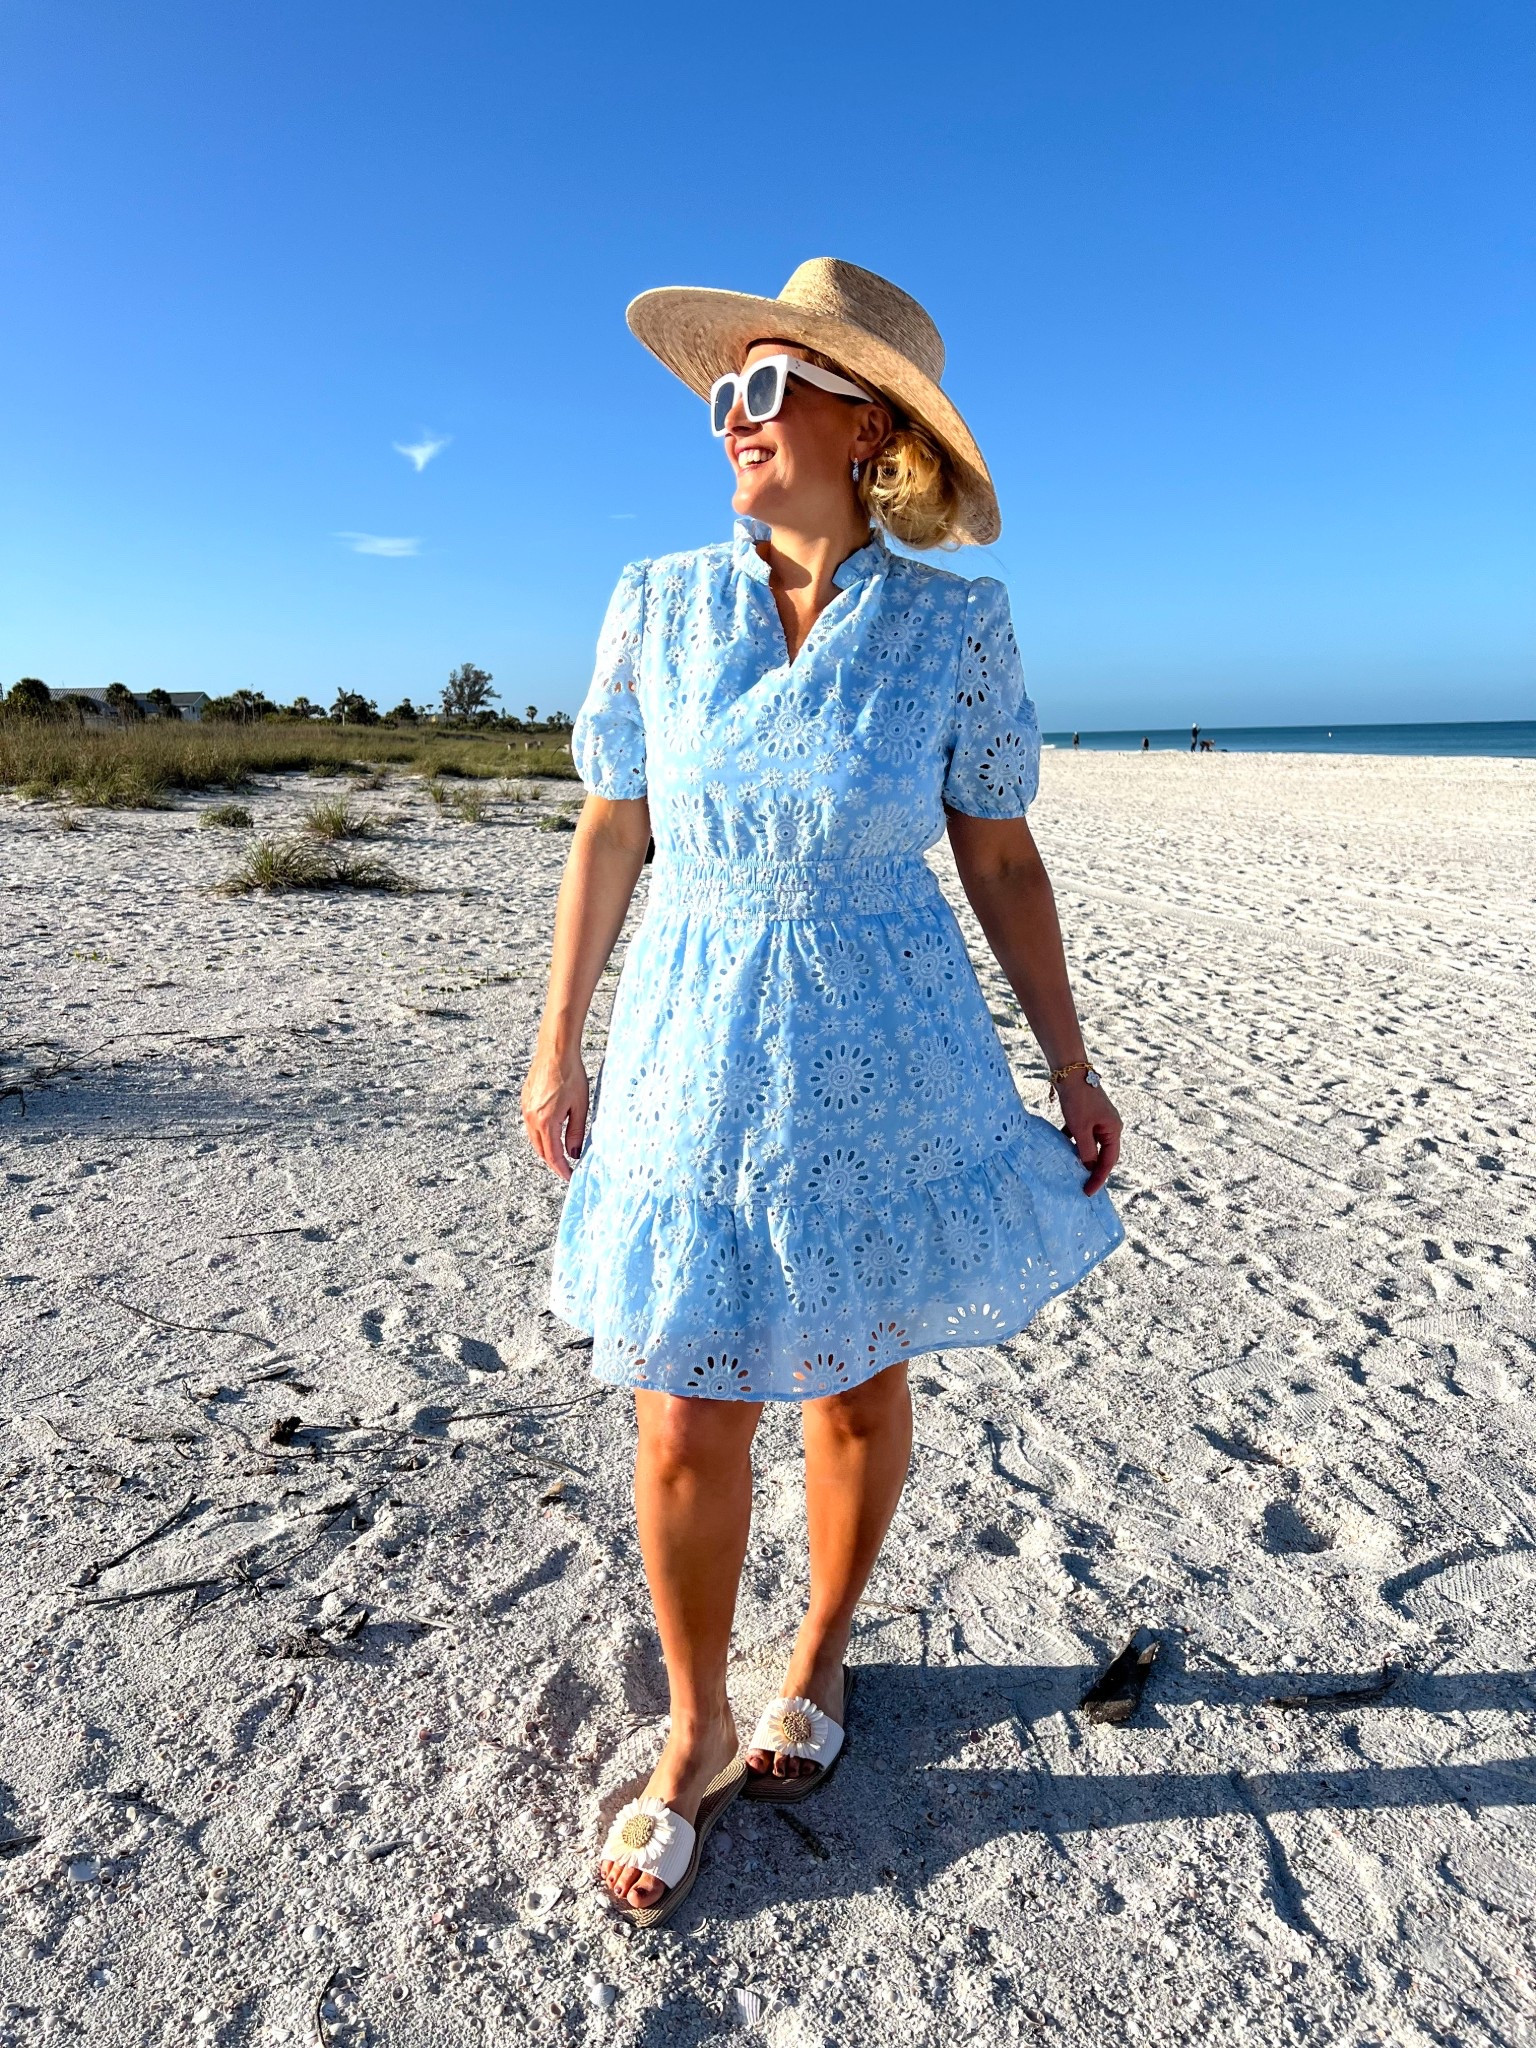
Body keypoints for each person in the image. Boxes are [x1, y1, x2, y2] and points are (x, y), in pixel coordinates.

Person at [521, 258, 1126, 1926]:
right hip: (692, 1037)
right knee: (682, 1400)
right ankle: (695, 1723)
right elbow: (613, 831)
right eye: (725, 396)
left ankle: (825, 1651)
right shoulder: (654, 600)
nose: (735, 421)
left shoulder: (953, 625)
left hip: (887, 1033)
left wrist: (1070, 1064)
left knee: (855, 1384)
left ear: (871, 430)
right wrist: (554, 1044)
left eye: (769, 391)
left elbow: (999, 858)